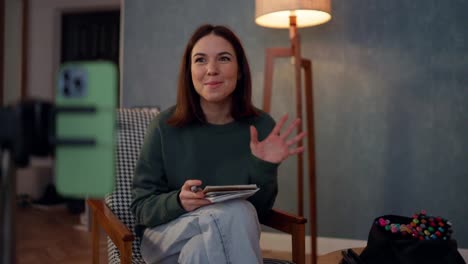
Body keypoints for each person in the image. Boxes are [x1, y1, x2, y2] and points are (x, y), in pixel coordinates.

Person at [130, 24, 306, 264]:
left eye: (223, 58)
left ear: (240, 70)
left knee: (201, 250)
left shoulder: (262, 126)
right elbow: (141, 207)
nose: (211, 69)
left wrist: (264, 166)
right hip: (164, 238)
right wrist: (178, 201)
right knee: (238, 211)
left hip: (216, 240)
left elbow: (260, 212)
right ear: (189, 71)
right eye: (200, 60)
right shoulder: (164, 126)